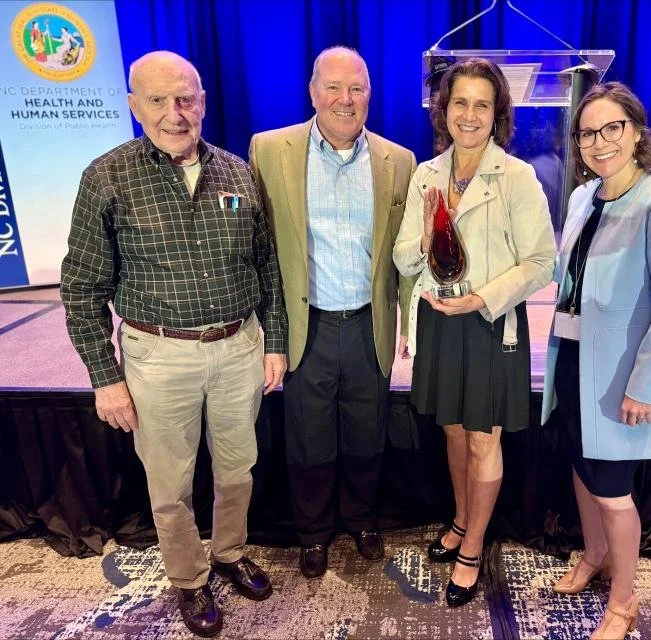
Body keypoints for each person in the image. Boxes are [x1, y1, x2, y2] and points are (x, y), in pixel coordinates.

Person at [60, 51, 286, 638]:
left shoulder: (238, 171)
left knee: (239, 469)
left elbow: (267, 266)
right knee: (170, 483)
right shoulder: (106, 177)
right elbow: (82, 287)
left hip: (239, 347)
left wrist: (274, 342)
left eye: (185, 98)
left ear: (203, 101)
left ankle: (231, 554)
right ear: (134, 106)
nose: (174, 113)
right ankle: (189, 579)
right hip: (157, 358)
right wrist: (104, 377)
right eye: (157, 101)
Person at [249, 46, 416, 580]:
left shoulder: (400, 160)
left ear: (370, 94)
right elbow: (259, 248)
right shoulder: (270, 150)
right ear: (313, 92)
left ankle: (363, 521)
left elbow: (405, 256)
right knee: (308, 436)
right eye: (334, 88)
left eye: (358, 88)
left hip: (370, 323)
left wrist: (409, 324)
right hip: (307, 325)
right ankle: (313, 533)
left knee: (367, 432)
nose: (346, 100)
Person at [393, 58, 556, 608]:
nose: (469, 114)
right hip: (439, 321)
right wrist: (425, 233)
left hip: (488, 324)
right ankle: (462, 521)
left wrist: (482, 298)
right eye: (459, 102)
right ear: (444, 110)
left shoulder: (516, 177)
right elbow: (400, 256)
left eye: (481, 104)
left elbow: (541, 262)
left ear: (497, 114)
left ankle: (473, 549)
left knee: (484, 437)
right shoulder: (426, 175)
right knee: (455, 432)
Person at [540, 81, 651, 639]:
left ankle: (624, 601)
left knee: (611, 487)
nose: (599, 141)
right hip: (575, 358)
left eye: (613, 128)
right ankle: (594, 555)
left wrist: (644, 385)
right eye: (588, 132)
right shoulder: (585, 196)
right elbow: (567, 280)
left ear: (636, 131)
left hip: (622, 372)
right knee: (583, 469)